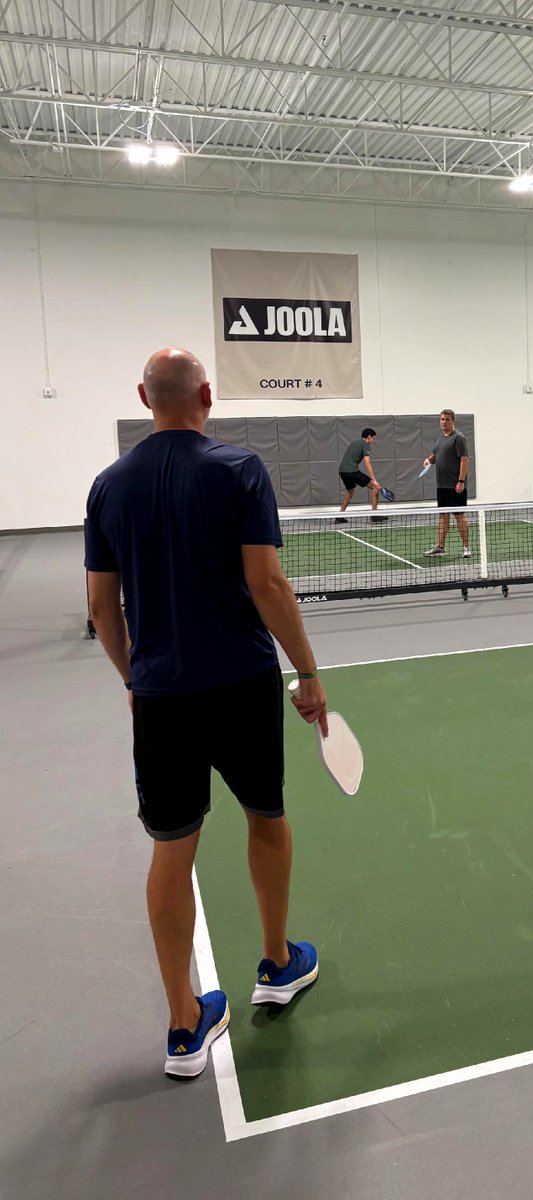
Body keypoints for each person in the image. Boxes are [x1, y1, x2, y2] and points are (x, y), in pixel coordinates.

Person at [85, 347, 328, 1079]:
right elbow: (268, 583)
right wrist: (309, 673)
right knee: (266, 816)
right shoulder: (239, 469)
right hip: (243, 686)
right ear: (208, 395)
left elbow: (101, 606)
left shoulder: (107, 486)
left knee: (171, 849)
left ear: (143, 397)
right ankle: (279, 963)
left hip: (163, 698)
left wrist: (137, 677)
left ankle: (184, 1024)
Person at [422, 409, 471, 558]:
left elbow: (464, 460)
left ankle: (466, 548)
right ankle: (440, 547)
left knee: (459, 516)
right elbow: (437, 454)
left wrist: (461, 481)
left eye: (447, 420)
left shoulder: (458, 438)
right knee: (443, 516)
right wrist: (429, 460)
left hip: (455, 486)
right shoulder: (439, 439)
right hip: (441, 485)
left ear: (453, 421)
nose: (444, 422)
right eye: (442, 419)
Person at [336, 427, 386, 522]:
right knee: (375, 488)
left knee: (351, 492)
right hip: (352, 471)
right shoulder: (366, 444)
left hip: (342, 471)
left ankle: (339, 517)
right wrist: (374, 480)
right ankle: (374, 516)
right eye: (373, 438)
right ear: (369, 437)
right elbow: (367, 463)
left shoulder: (354, 443)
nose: (373, 441)